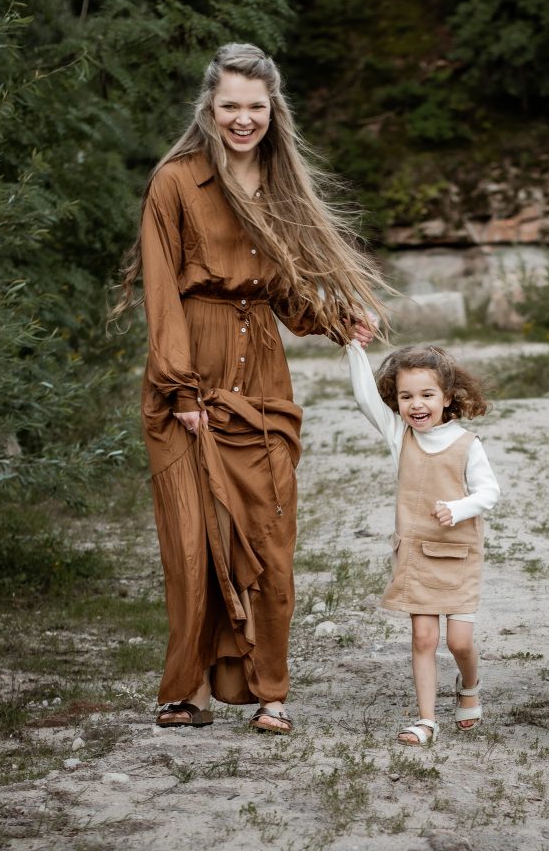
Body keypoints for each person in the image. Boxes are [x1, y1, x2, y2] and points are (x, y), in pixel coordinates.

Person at [111, 43, 388, 734]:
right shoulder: (175, 181)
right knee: (191, 543)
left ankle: (271, 693)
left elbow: (287, 296)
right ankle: (189, 690)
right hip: (187, 373)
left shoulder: (282, 184)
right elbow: (160, 292)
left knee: (267, 538)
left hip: (261, 374)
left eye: (255, 107)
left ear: (273, 108)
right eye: (229, 105)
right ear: (209, 107)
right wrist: (180, 391)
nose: (243, 119)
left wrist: (336, 320)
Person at [346, 339, 500, 745]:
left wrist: (459, 508)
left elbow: (489, 492)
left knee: (459, 642)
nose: (416, 404)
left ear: (447, 397)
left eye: (427, 395)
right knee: (423, 638)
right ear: (396, 401)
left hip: (459, 555)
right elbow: (364, 398)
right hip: (416, 553)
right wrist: (354, 347)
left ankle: (469, 684)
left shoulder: (467, 444)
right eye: (406, 396)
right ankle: (426, 720)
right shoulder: (400, 436)